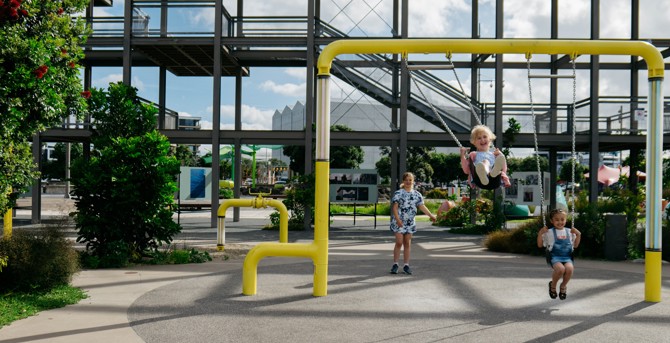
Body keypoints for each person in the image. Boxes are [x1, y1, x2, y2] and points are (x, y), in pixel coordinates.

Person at [389, 172, 437, 275]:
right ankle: (395, 264)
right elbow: (395, 207)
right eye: (406, 180)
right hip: (399, 221)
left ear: (413, 181)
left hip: (410, 222)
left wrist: (431, 215)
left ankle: (406, 265)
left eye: (410, 180)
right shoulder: (398, 193)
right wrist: (397, 220)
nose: (408, 182)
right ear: (403, 181)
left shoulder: (417, 194)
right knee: (399, 242)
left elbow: (422, 206)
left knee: (407, 243)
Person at [537, 208, 581, 300]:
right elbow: (540, 245)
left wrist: (578, 235)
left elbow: (575, 245)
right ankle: (553, 285)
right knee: (560, 269)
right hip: (555, 257)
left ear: (565, 220)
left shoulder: (570, 231)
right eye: (557, 220)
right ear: (551, 221)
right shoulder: (549, 232)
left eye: (562, 219)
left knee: (569, 269)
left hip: (567, 257)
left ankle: (563, 286)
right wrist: (540, 233)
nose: (560, 222)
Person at [460, 125, 510, 190]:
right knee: (485, 162)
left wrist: (501, 154)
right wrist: (462, 156)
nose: (482, 140)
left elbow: (503, 168)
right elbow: (466, 170)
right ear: (474, 142)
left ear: (490, 140)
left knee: (499, 162)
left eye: (485, 137)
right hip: (480, 180)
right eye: (479, 138)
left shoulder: (494, 155)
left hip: (494, 181)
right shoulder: (473, 154)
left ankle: (492, 172)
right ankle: (484, 172)